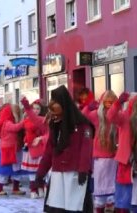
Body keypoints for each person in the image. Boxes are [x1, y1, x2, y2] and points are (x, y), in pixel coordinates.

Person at [35, 85, 94, 213]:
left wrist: (83, 169)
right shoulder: (55, 125)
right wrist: (40, 173)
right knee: (57, 207)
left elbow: (86, 149)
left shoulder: (83, 125)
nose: (54, 116)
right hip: (57, 174)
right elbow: (49, 151)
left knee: (75, 206)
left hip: (75, 173)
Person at [82, 90, 118, 213]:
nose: (110, 104)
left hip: (113, 155)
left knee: (111, 181)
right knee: (101, 182)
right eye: (108, 102)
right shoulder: (96, 115)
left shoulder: (116, 115)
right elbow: (82, 117)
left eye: (112, 102)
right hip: (100, 156)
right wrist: (87, 107)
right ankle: (100, 207)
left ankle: (109, 204)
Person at [0, 104, 26, 196]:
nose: (18, 113)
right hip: (8, 150)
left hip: (17, 149)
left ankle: (16, 188)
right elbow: (15, 128)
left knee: (17, 169)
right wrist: (24, 121)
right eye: (16, 112)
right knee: (4, 170)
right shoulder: (7, 122)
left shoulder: (15, 121)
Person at [19, 99, 48, 199]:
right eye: (34, 108)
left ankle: (40, 188)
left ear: (41, 110)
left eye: (38, 108)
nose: (35, 110)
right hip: (30, 147)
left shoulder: (44, 120)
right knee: (32, 171)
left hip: (41, 147)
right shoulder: (27, 120)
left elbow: (47, 133)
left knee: (41, 170)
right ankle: (33, 190)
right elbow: (19, 129)